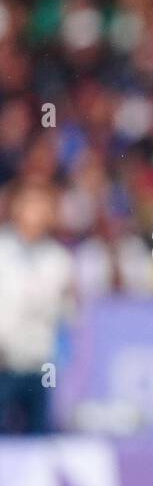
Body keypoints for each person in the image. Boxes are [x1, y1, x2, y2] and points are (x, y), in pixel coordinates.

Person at [0, 181, 73, 435]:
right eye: (31, 205)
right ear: (17, 208)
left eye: (43, 206)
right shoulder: (2, 251)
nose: (38, 212)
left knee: (39, 435)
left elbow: (68, 314)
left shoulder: (59, 260)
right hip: (4, 361)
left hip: (41, 363)